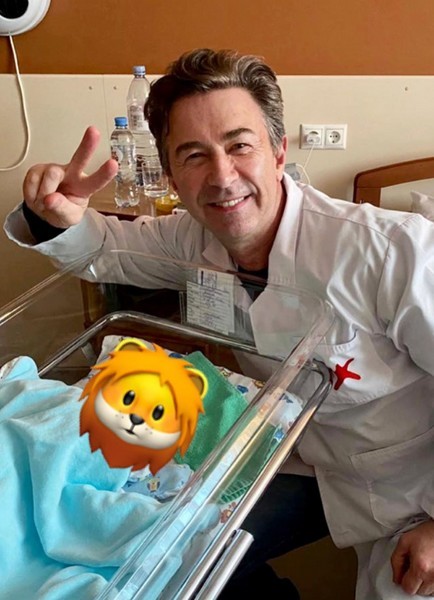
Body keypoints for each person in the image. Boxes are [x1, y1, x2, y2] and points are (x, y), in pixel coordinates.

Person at [4, 48, 434, 599]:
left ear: (279, 152)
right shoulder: (194, 240)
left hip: (413, 487)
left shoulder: (392, 250)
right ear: (171, 176)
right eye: (194, 155)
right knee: (165, 558)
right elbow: (106, 250)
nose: (223, 177)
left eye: (239, 146)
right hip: (307, 464)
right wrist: (54, 215)